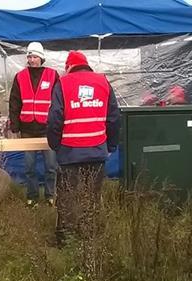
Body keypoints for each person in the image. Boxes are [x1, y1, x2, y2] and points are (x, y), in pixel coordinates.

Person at [47, 51, 120, 246]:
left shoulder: (62, 83)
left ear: (69, 66)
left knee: (68, 197)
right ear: (86, 65)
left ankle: (66, 241)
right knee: (92, 196)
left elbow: (54, 118)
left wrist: (55, 145)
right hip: (96, 151)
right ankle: (90, 236)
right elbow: (114, 117)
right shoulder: (103, 81)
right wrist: (111, 145)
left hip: (70, 152)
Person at [9, 42, 59, 207]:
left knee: (51, 166)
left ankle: (50, 196)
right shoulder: (20, 76)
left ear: (41, 58)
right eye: (29, 56)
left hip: (47, 129)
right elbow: (14, 103)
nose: (32, 59)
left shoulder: (53, 75)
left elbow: (59, 103)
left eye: (35, 56)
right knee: (30, 167)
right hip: (27, 129)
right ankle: (32, 197)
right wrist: (14, 127)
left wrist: (57, 125)